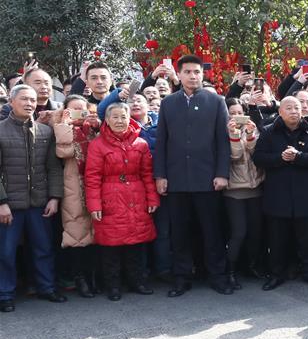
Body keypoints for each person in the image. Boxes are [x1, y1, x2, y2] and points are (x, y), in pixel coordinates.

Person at [153, 54, 232, 297]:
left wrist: (221, 173)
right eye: (187, 72)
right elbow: (161, 142)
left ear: (202, 74)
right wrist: (160, 175)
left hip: (207, 178)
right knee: (180, 233)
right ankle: (182, 278)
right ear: (179, 75)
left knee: (212, 231)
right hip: (176, 179)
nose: (192, 76)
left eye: (196, 72)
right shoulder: (168, 103)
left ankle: (217, 276)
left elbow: (223, 141)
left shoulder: (216, 101)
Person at [0, 85, 67, 312]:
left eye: (32, 99)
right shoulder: (0, 130)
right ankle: (5, 294)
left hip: (39, 203)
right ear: (11, 102)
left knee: (43, 248)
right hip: (10, 205)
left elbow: (53, 168)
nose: (29, 103)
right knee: (6, 252)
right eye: (24, 99)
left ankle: (46, 288)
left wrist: (54, 197)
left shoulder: (45, 131)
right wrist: (2, 203)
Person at [83, 104, 157, 301]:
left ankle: (138, 282)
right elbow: (92, 178)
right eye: (114, 117)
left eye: (123, 116)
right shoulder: (98, 145)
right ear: (106, 120)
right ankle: (113, 286)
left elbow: (147, 174)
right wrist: (95, 205)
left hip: (136, 197)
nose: (119, 121)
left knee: (137, 245)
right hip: (110, 199)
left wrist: (152, 198)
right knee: (111, 248)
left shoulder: (140, 143)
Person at [253, 94, 308, 289]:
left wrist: (298, 157)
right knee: (277, 239)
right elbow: (258, 158)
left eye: (297, 108)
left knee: (307, 239)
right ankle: (276, 274)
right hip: (278, 195)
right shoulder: (268, 132)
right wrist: (280, 158)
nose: (294, 111)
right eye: (290, 108)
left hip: (305, 194)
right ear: (280, 112)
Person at [53, 95, 102, 298]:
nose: (79, 113)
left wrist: (97, 127)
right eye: (73, 109)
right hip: (72, 188)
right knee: (76, 235)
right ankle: (80, 278)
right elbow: (63, 151)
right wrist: (64, 123)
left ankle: (95, 277)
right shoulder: (61, 128)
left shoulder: (94, 130)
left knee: (96, 234)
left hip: (96, 186)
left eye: (82, 109)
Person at [224, 97, 265, 289]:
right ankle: (230, 271)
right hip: (234, 190)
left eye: (240, 112)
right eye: (232, 113)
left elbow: (256, 152)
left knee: (255, 233)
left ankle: (251, 265)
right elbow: (235, 155)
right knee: (238, 232)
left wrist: (250, 134)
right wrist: (233, 135)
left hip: (255, 187)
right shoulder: (223, 132)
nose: (237, 116)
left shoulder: (251, 130)